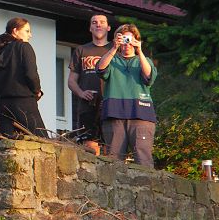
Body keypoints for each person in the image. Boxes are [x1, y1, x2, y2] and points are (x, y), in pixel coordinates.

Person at [95, 23, 158, 168]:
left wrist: (139, 51)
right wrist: (114, 48)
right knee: (113, 161)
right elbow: (100, 69)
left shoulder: (144, 60)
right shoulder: (112, 59)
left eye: (130, 40)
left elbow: (149, 77)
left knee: (143, 160)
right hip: (114, 114)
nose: (127, 44)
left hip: (141, 114)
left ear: (137, 40)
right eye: (124, 39)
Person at [0, 17, 48, 139]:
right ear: (15, 31)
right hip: (24, 102)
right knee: (42, 141)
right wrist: (37, 91)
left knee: (7, 144)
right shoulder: (24, 47)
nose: (30, 35)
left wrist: (1, 95)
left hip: (3, 106)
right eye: (27, 31)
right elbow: (31, 74)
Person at [67, 14, 112, 152]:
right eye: (94, 22)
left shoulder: (114, 49)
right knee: (90, 146)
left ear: (108, 27)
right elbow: (71, 81)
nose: (98, 24)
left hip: (110, 104)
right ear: (90, 28)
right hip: (87, 105)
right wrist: (81, 93)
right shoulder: (81, 50)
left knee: (111, 146)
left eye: (102, 22)